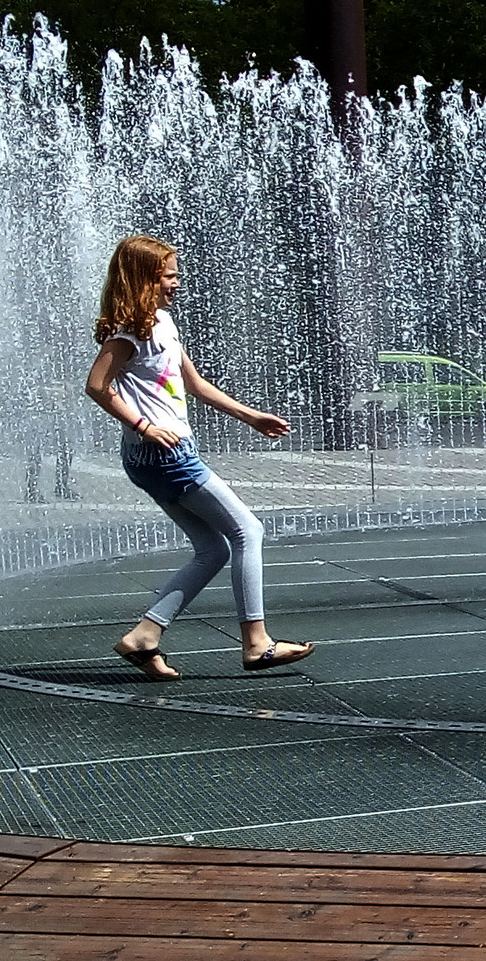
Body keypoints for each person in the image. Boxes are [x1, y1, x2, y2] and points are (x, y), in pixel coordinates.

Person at [84, 235, 314, 680]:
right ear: (143, 281)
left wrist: (250, 416)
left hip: (157, 456)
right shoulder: (129, 334)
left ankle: (144, 636)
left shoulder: (162, 323)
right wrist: (145, 426)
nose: (176, 283)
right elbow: (97, 386)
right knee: (247, 530)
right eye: (168, 276)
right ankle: (257, 642)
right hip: (163, 455)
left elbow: (192, 382)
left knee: (211, 549)